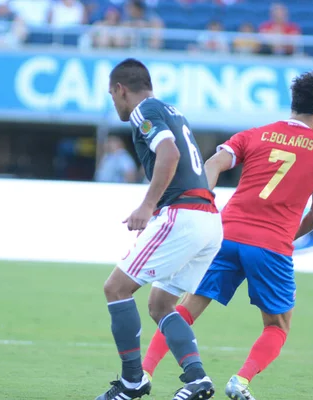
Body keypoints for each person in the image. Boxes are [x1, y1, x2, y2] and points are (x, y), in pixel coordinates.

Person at [142, 71, 313, 400]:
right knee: (277, 326)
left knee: (186, 309)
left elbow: (214, 163)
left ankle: (144, 371)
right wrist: (288, 239)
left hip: (226, 234)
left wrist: (200, 201)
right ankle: (241, 380)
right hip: (272, 245)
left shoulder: (255, 134)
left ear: (293, 107)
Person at [98, 58, 223, 400]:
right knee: (160, 305)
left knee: (116, 289)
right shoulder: (173, 110)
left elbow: (169, 155)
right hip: (209, 220)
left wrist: (147, 206)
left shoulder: (143, 111)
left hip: (181, 215)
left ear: (121, 89)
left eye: (112, 95)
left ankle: (132, 381)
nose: (114, 103)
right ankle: (197, 378)